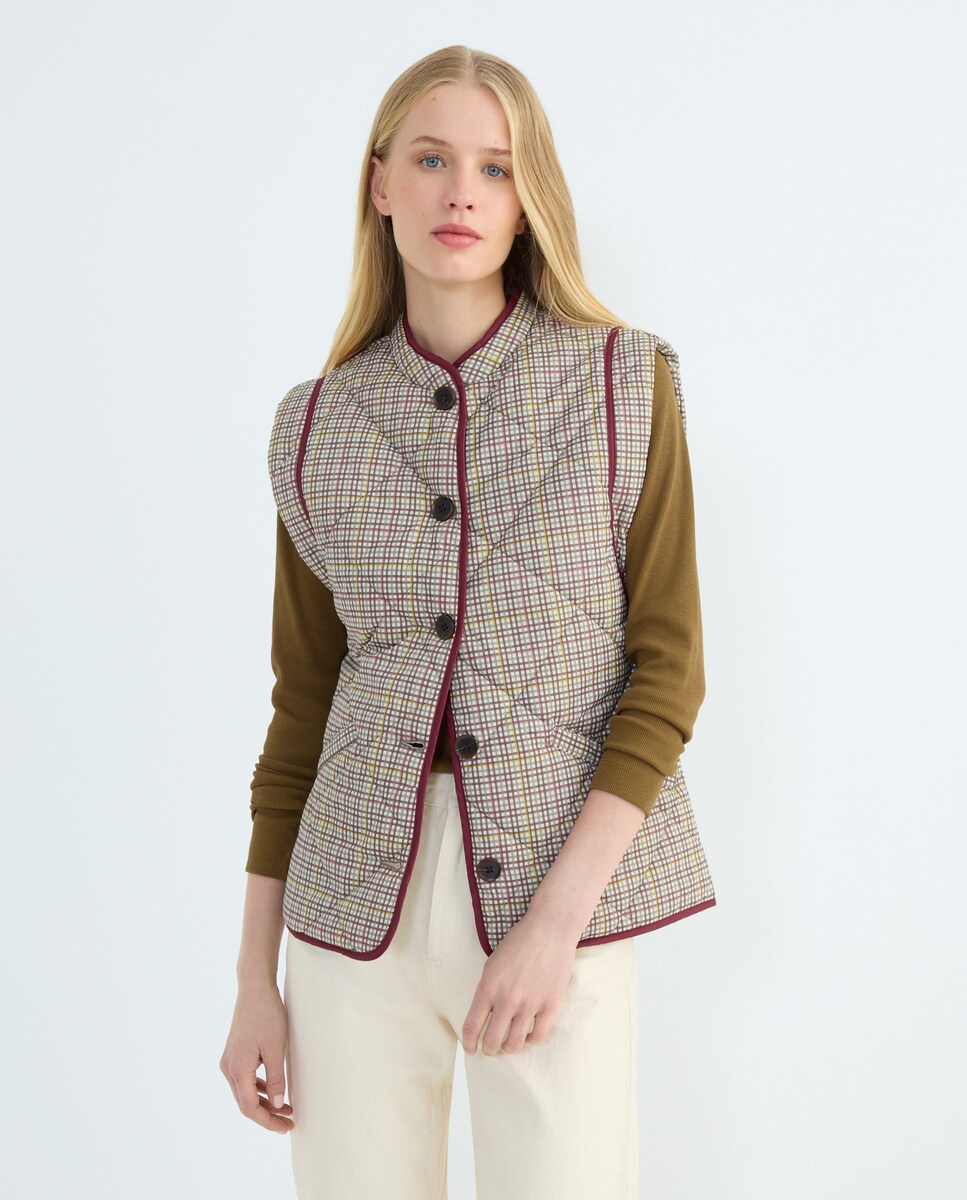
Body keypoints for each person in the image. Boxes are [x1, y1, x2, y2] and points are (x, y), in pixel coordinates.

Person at [220, 43, 715, 1200]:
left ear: (527, 200)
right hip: (351, 913)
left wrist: (555, 926)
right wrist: (254, 980)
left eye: (496, 168)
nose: (462, 193)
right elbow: (302, 710)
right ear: (379, 183)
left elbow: (668, 672)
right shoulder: (313, 426)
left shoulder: (623, 382)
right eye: (432, 159)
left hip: (558, 895)